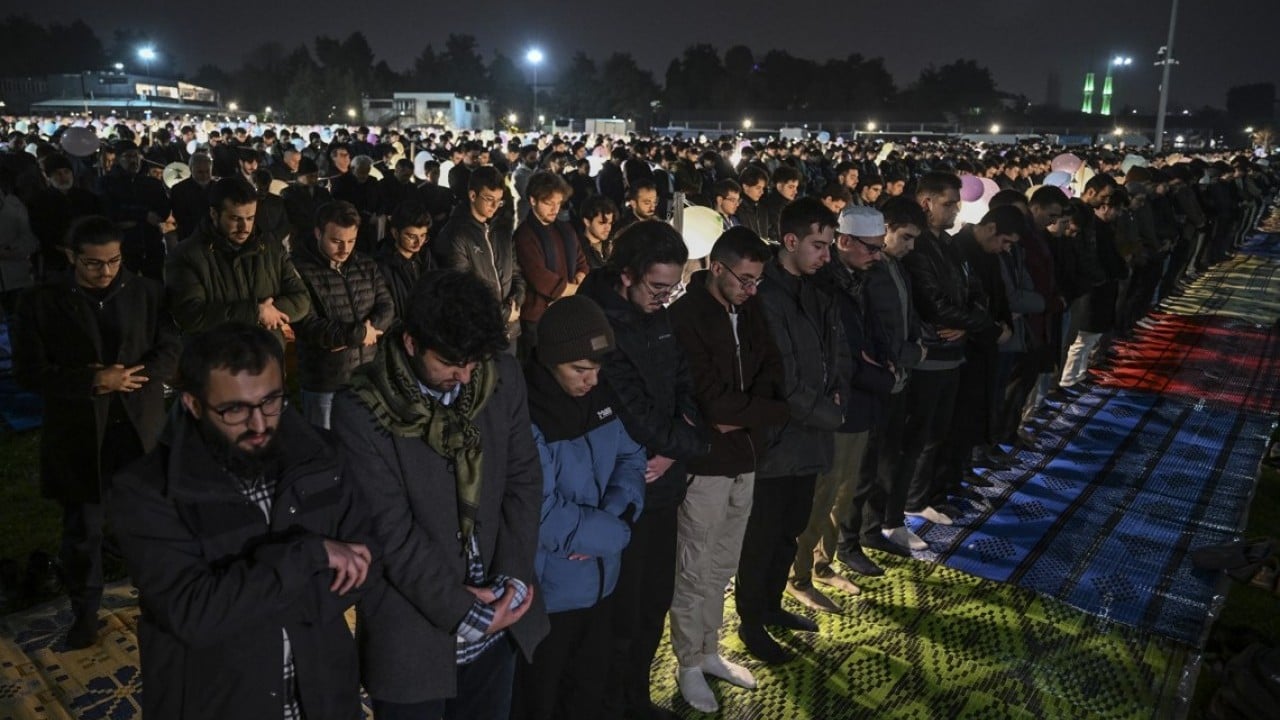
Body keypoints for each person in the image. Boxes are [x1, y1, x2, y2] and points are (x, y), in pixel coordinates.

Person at [111, 321, 376, 718]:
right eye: (234, 409)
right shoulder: (149, 492)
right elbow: (194, 614)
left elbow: (365, 560)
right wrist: (307, 557)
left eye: (271, 401)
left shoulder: (322, 456)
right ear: (193, 404)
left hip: (323, 696)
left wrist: (250, 601)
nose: (259, 424)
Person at [330, 270, 549, 720]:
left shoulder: (500, 374)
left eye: (475, 361)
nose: (467, 377)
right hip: (415, 630)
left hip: (500, 616)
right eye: (452, 363)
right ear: (411, 343)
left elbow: (523, 478)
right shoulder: (362, 408)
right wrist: (462, 611)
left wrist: (511, 576)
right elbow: (390, 531)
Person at [13, 215, 180, 649]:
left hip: (138, 428)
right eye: (93, 264)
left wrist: (131, 376)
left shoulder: (145, 292)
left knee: (146, 521)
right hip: (80, 434)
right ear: (71, 258)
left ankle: (157, 599)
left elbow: (170, 348)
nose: (106, 272)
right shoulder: (41, 302)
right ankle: (85, 613)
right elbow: (29, 373)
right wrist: (91, 381)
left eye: (114, 261)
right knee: (83, 529)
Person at [577, 220, 711, 720]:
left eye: (672, 287)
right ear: (626, 275)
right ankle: (610, 703)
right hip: (619, 490)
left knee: (654, 600)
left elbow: (684, 383)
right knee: (618, 613)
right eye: (657, 287)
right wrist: (684, 440)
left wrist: (680, 446)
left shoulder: (657, 314)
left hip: (664, 481)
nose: (665, 298)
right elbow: (631, 409)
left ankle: (634, 697)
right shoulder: (595, 323)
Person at [667, 227, 788, 713]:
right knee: (694, 566)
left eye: (758, 280)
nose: (752, 289)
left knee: (723, 562)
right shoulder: (685, 316)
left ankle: (709, 649)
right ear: (717, 268)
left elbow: (774, 375)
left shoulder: (751, 308)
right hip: (708, 462)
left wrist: (754, 413)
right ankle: (687, 661)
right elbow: (709, 401)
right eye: (745, 279)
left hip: (746, 455)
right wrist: (763, 410)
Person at [511, 295, 647, 720]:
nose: (592, 380)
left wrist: (615, 515)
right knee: (541, 699)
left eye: (598, 369)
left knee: (587, 693)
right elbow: (542, 513)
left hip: (601, 583)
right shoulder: (526, 415)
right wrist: (617, 533)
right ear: (551, 361)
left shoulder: (599, 397)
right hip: (548, 595)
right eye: (580, 370)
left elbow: (631, 457)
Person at [736, 197, 850, 665]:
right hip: (778, 438)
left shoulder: (817, 290)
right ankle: (750, 621)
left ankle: (771, 606)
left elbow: (835, 352)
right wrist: (829, 412)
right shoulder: (768, 294)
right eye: (819, 245)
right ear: (790, 241)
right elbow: (783, 374)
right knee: (762, 536)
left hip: (809, 435)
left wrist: (836, 395)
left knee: (789, 530)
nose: (827, 255)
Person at [791, 206, 896, 590]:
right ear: (845, 242)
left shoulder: (859, 278)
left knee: (844, 492)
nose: (877, 255)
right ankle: (798, 576)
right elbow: (842, 355)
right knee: (822, 496)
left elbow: (873, 339)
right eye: (871, 248)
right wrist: (882, 374)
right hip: (837, 405)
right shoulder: (825, 285)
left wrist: (881, 367)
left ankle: (822, 564)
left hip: (861, 403)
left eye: (880, 248)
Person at [900, 172, 1002, 526]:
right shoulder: (918, 247)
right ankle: (911, 501)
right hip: (930, 354)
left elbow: (977, 292)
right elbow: (933, 305)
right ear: (926, 203)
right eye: (948, 203)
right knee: (922, 435)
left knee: (940, 434)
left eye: (957, 202)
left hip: (953, 351)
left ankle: (927, 495)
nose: (957, 209)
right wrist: (977, 322)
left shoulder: (950, 245)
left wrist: (969, 321)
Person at [859, 197, 929, 554]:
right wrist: (910, 353)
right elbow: (873, 330)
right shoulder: (869, 271)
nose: (910, 246)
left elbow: (907, 315)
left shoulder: (897, 267)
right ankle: (856, 537)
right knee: (866, 467)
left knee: (888, 460)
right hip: (879, 379)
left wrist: (918, 343)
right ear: (885, 227)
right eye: (905, 237)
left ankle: (876, 528)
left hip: (899, 377)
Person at [166, 177, 311, 344]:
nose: (245, 228)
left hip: (267, 355)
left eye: (250, 218)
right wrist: (255, 313)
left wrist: (269, 312)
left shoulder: (271, 247)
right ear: (214, 214)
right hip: (217, 360)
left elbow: (301, 298)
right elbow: (189, 316)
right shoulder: (186, 256)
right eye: (235, 219)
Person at [292, 201, 395, 428]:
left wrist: (369, 331)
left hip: (367, 378)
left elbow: (387, 306)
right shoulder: (298, 270)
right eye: (336, 241)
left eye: (351, 241)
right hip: (325, 382)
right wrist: (358, 334)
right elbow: (309, 325)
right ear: (318, 233)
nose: (344, 249)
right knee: (326, 448)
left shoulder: (365, 264)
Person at [433, 166, 526, 351]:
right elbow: (463, 290)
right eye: (489, 199)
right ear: (472, 195)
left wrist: (516, 301)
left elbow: (516, 274)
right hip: (477, 332)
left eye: (499, 201)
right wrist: (505, 313)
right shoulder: (456, 234)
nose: (494, 206)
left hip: (509, 329)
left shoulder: (502, 231)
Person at [513, 171, 587, 357]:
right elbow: (541, 279)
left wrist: (581, 275)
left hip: (566, 309)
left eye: (558, 203)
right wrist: (578, 288)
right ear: (532, 200)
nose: (555, 209)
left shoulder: (565, 228)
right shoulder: (525, 235)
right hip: (537, 315)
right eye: (548, 203)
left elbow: (581, 260)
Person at [99, 140, 169, 279]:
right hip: (123, 246)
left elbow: (163, 209)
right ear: (119, 159)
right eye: (128, 156)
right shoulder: (107, 183)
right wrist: (143, 215)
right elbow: (110, 210)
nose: (134, 160)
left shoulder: (152, 183)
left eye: (136, 156)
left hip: (151, 244)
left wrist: (132, 216)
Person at [376, 201, 437, 318]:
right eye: (412, 236)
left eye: (423, 235)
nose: (419, 243)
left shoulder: (427, 258)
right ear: (395, 233)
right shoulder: (382, 267)